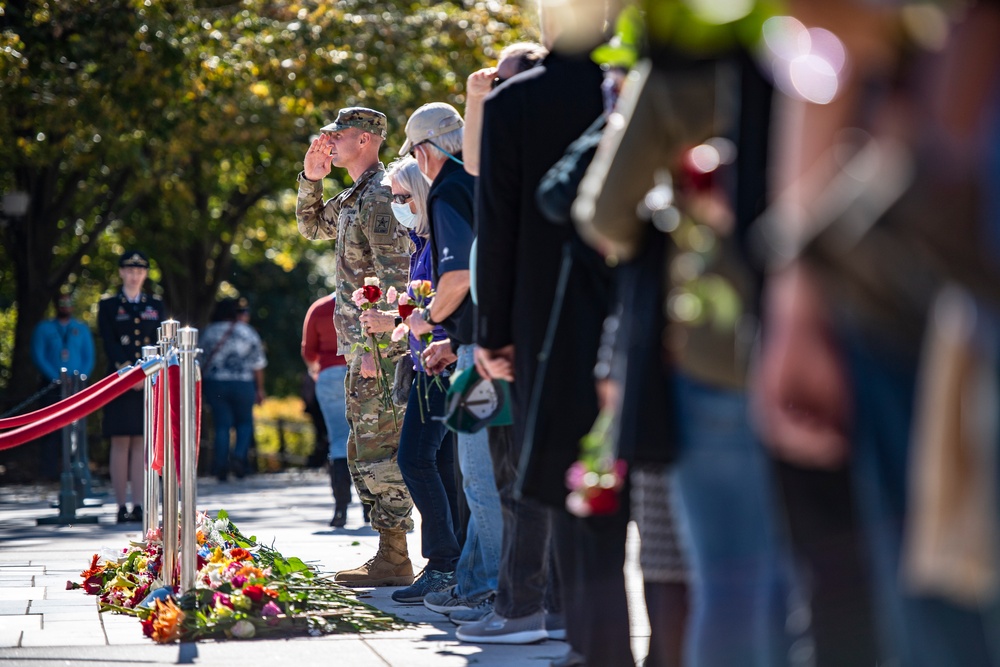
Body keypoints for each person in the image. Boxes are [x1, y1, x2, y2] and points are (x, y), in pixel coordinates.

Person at [467, 5, 606, 654]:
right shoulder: (624, 87)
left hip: (535, 317)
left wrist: (490, 331)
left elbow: (496, 229)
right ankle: (566, 613)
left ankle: (556, 614)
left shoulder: (514, 103)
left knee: (544, 466)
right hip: (620, 308)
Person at [296, 106, 415, 587]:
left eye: (338, 134)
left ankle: (396, 557)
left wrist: (375, 346)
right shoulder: (355, 195)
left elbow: (396, 278)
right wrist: (311, 176)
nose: (330, 140)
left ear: (365, 139)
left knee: (378, 451)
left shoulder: (381, 195)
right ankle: (392, 552)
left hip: (379, 347)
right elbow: (311, 227)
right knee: (363, 448)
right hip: (360, 343)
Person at [359, 155, 463, 604]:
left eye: (404, 197)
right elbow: (420, 304)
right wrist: (396, 317)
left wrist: (414, 319)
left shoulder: (440, 234)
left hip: (443, 363)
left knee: (415, 459)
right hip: (427, 362)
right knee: (438, 462)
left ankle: (443, 562)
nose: (399, 204)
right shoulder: (421, 240)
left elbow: (449, 296)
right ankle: (450, 561)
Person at [98, 250, 165, 524]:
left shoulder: (156, 304)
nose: (135, 275)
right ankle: (120, 504)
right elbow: (109, 341)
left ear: (145, 274)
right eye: (129, 270)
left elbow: (160, 339)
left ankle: (138, 504)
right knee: (120, 440)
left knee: (141, 441)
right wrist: (127, 371)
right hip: (119, 378)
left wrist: (144, 374)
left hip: (147, 380)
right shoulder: (109, 305)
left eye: (140, 270)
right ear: (121, 272)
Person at [199, 297, 266, 482]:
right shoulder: (247, 332)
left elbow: (199, 360)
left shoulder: (208, 333)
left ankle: (220, 465)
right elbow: (258, 364)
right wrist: (259, 389)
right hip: (243, 383)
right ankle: (239, 457)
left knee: (222, 425)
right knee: (245, 423)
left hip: (215, 383)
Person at [30, 292, 95, 481]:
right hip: (50, 386)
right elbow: (38, 355)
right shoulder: (44, 328)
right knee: (50, 429)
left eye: (69, 304)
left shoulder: (81, 329)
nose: (65, 307)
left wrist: (80, 379)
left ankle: (77, 472)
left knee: (77, 429)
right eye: (62, 303)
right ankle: (49, 473)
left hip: (76, 386)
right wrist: (55, 378)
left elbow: (88, 357)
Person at [301, 293, 353, 527]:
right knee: (368, 441)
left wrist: (317, 370)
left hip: (329, 375)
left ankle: (340, 508)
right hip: (362, 372)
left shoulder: (319, 308)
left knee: (339, 440)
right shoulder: (365, 301)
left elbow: (309, 351)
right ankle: (370, 508)